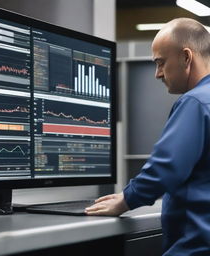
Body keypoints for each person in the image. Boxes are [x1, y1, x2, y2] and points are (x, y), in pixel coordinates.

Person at [85, 17, 210, 255]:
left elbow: (167, 167)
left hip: (196, 245)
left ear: (186, 57)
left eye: (160, 63)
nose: (157, 74)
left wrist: (126, 199)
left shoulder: (195, 102)